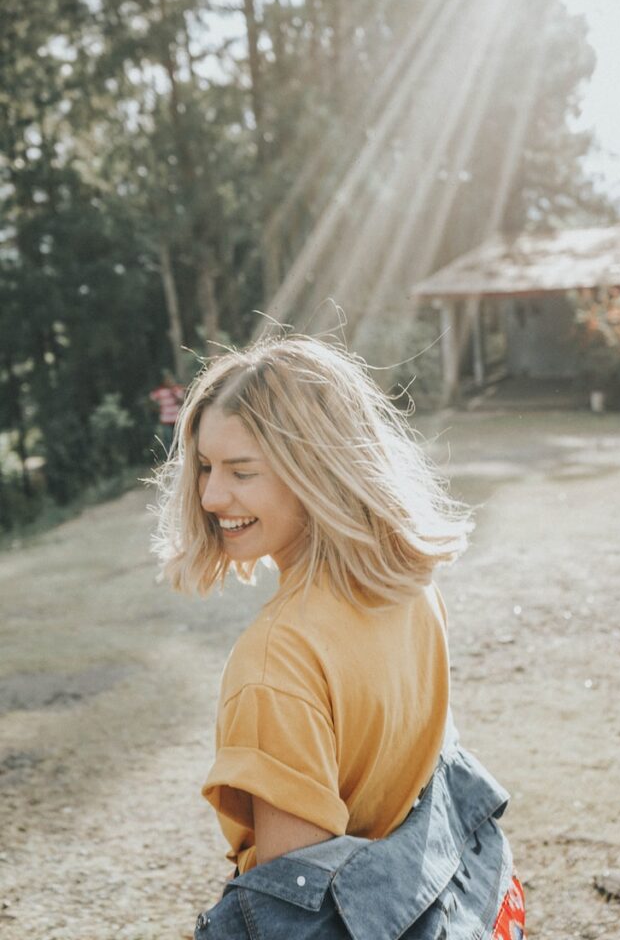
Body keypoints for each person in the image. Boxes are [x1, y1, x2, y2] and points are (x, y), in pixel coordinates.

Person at [152, 336, 526, 940]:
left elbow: (298, 915)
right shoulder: (409, 586)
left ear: (315, 470)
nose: (211, 496)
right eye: (204, 465)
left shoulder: (278, 659)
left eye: (241, 471)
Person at [149, 371, 185, 454]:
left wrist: (173, 392)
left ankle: (180, 455)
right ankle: (170, 456)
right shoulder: (160, 391)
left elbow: (182, 401)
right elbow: (150, 400)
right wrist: (157, 409)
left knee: (178, 439)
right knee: (168, 440)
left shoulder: (177, 390)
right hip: (165, 420)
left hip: (176, 419)